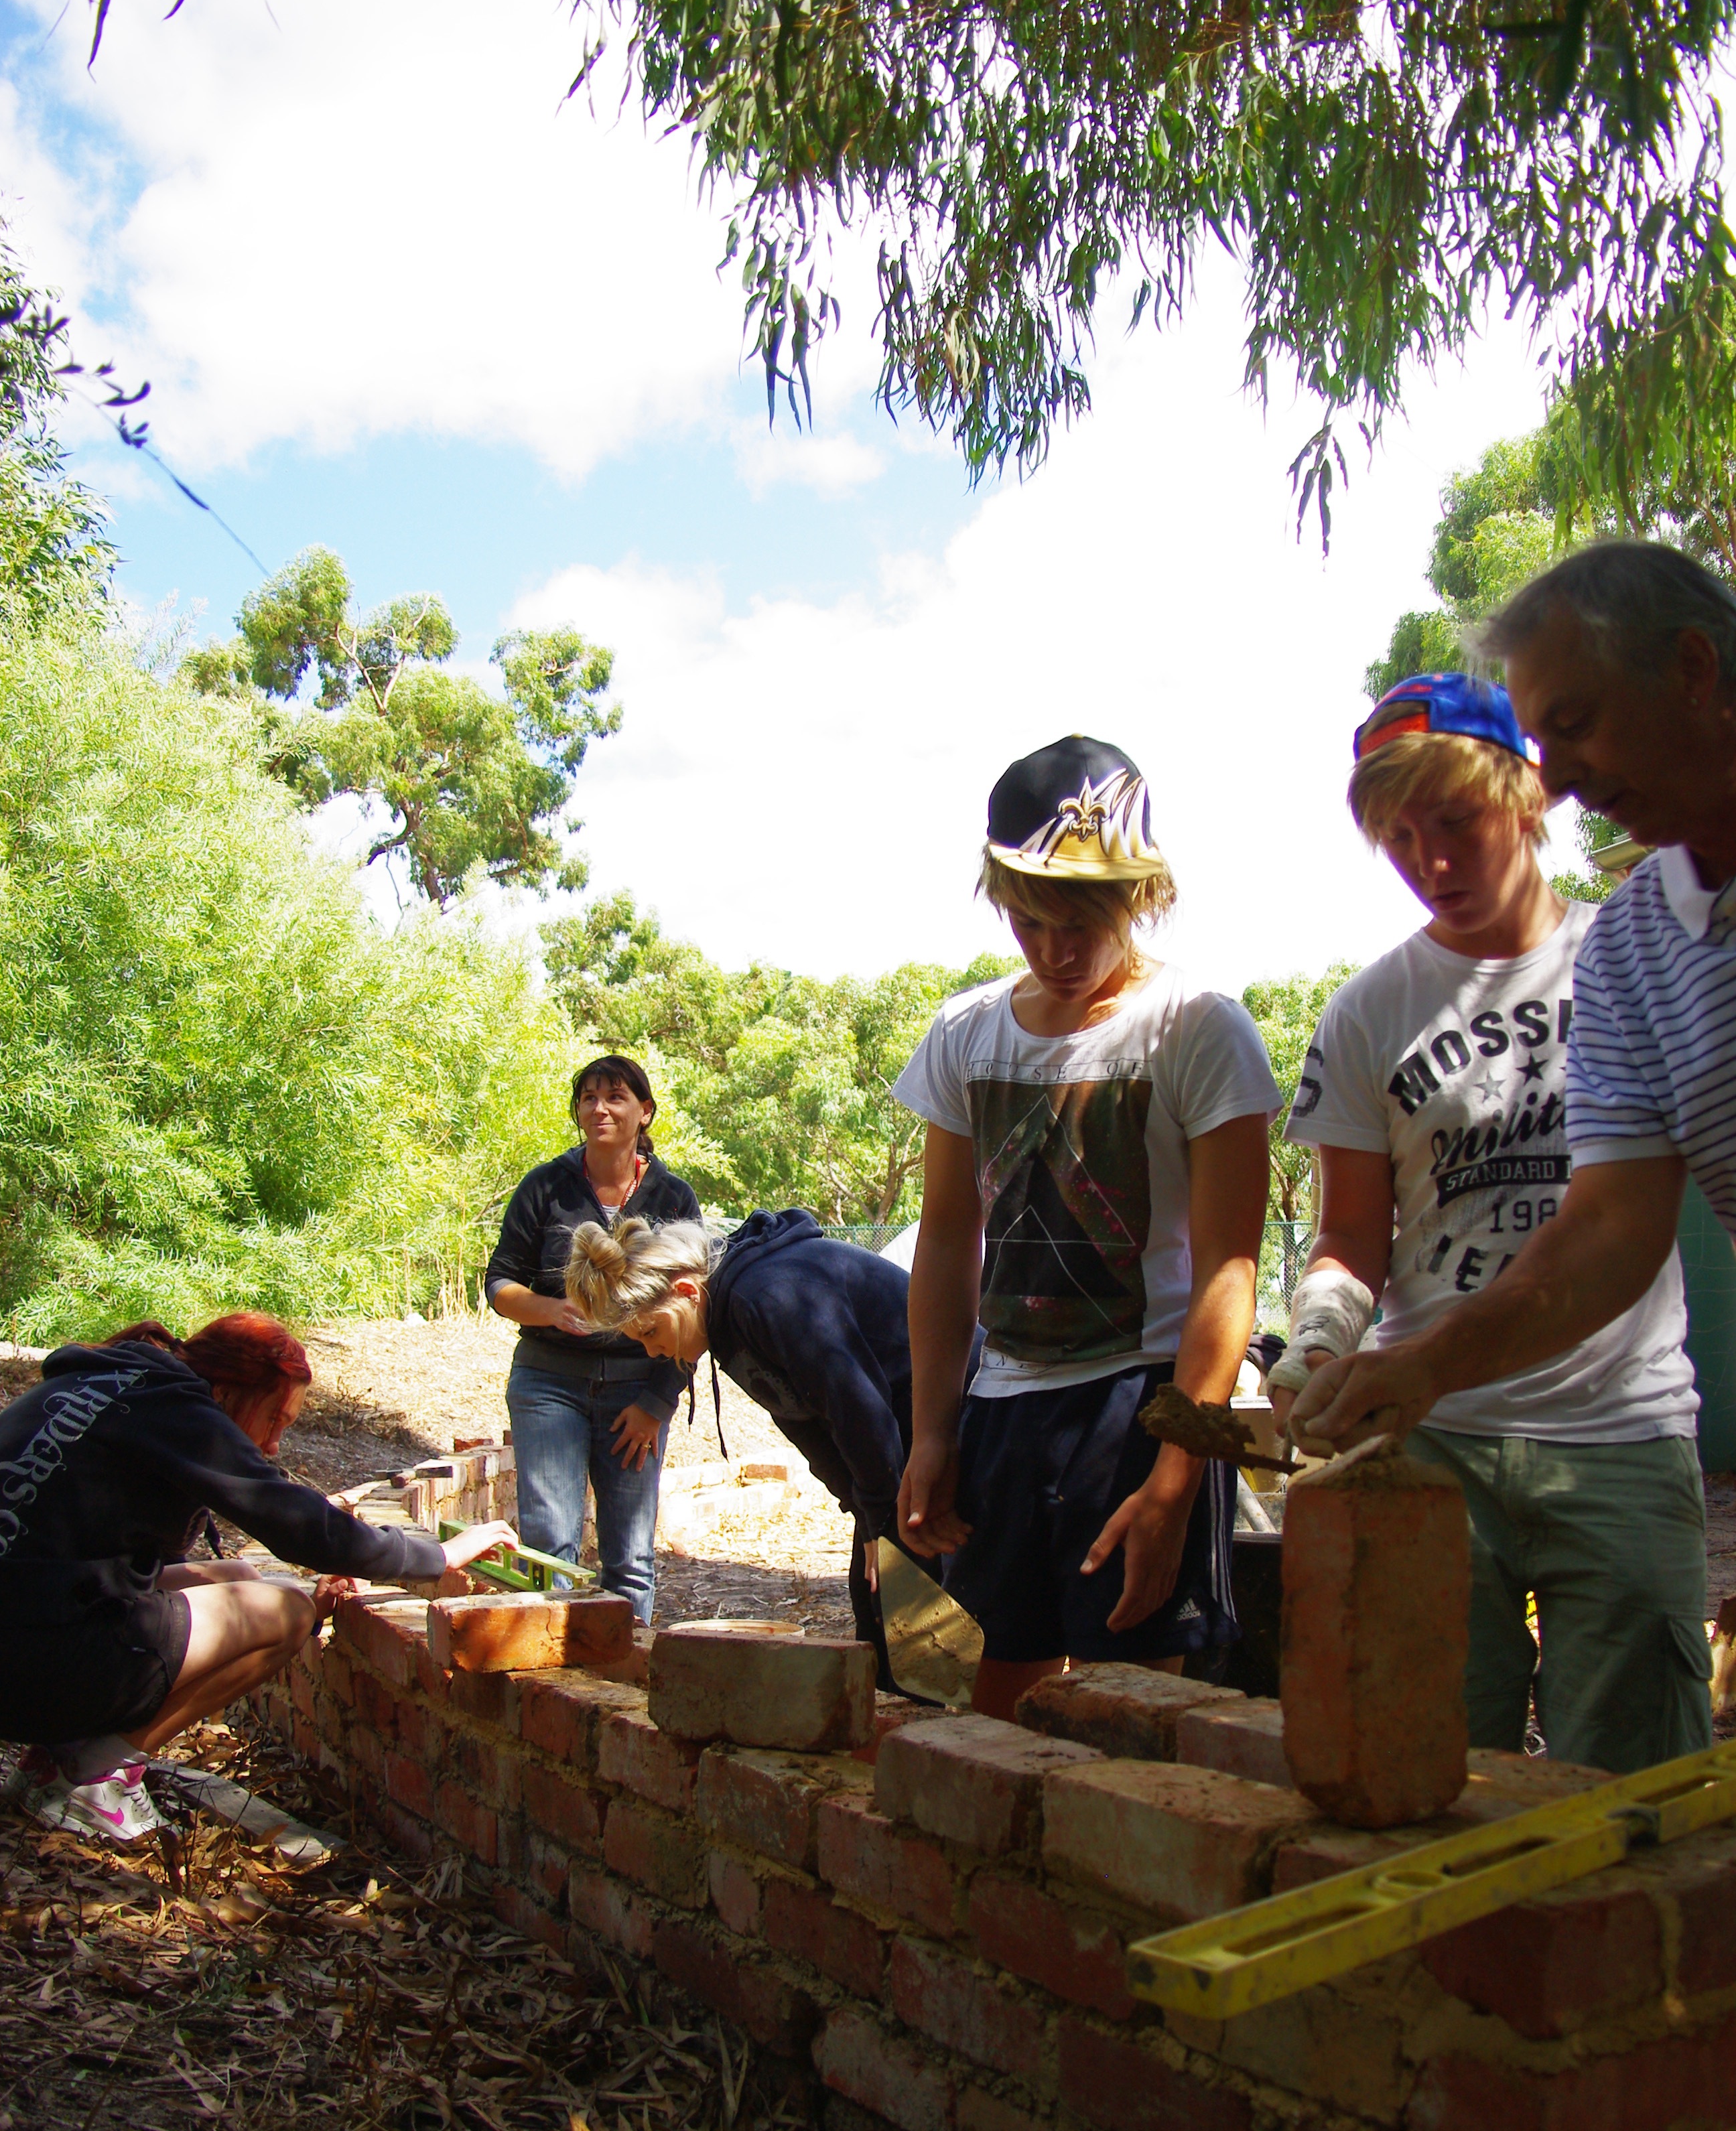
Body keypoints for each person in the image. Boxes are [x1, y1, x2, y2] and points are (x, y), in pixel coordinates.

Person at [1267, 671, 1707, 1771]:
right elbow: (1349, 1237)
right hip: (1426, 1449)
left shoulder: (1635, 960)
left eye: (1454, 822)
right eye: (1402, 838)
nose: (1432, 862)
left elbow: (1631, 1221)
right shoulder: (1369, 1012)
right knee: (1420, 1770)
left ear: (1526, 796)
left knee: (1631, 1793)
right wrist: (1318, 1341)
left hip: (1617, 1433)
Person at [1294, 543, 1736, 1478]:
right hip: (1449, 1432)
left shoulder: (1598, 946)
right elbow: (1614, 1224)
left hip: (1625, 1429)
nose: (1566, 778)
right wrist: (1386, 1356)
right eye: (1403, 838)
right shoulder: (1645, 939)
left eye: (1576, 725)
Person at [892, 734, 1281, 1720]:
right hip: (1005, 1405)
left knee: (1144, 1714)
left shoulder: (1198, 1029)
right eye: (1031, 920)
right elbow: (945, 1244)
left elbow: (1230, 1267)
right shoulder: (966, 1033)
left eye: (1085, 920)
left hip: (1144, 1398)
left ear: (1139, 897)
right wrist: (934, 1432)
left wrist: (1178, 1473)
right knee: (997, 1713)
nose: (1059, 950)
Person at [0, 1314, 513, 1842]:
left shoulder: (113, 1382)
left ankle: (53, 1758)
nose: (272, 1445)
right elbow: (297, 1527)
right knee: (284, 1613)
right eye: (274, 1419)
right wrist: (437, 1555)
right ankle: (88, 1777)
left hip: (31, 1616)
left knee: (239, 1576)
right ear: (224, 1393)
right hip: (27, 1659)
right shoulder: (177, 1410)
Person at [563, 1207, 977, 1687]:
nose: (654, 1353)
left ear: (685, 1291)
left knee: (921, 1622)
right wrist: (866, 1517)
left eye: (651, 1332)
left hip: (960, 1426)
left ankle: (952, 1733)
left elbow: (859, 1409)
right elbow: (809, 1425)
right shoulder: (726, 1321)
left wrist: (883, 1526)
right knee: (877, 1615)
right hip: (900, 1453)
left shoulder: (766, 1298)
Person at [486, 1056, 700, 1621]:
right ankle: (551, 1672)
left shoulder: (673, 1198)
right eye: (588, 1098)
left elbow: (693, 1312)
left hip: (637, 1389)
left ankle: (625, 1678)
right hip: (548, 1383)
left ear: (644, 1112)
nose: (599, 1108)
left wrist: (655, 1405)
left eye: (616, 1097)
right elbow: (499, 1282)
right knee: (550, 1543)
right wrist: (550, 1309)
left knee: (629, 1558)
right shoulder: (545, 1186)